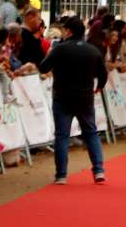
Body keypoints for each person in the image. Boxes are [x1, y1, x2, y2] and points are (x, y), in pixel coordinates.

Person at [39, 17, 108, 185]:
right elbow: (103, 74)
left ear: (68, 31)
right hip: (85, 97)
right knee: (91, 133)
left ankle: (61, 175)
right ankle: (98, 170)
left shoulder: (59, 49)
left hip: (62, 97)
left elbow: (43, 67)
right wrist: (99, 86)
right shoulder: (93, 51)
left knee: (62, 136)